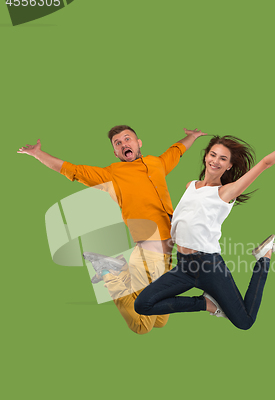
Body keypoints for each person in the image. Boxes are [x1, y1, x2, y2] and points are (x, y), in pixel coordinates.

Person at [17, 126, 207, 334]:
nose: (124, 144)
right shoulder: (112, 174)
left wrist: (192, 136)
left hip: (168, 252)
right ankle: (109, 272)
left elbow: (177, 150)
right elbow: (73, 170)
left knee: (160, 320)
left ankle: (120, 271)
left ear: (138, 142)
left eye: (128, 139)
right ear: (116, 152)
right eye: (118, 143)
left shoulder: (157, 163)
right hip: (148, 248)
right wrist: (37, 153)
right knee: (142, 326)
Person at [134, 134, 275, 330]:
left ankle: (263, 259)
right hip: (184, 266)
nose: (215, 161)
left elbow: (266, 163)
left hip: (208, 266)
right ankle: (206, 304)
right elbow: (183, 221)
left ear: (229, 166)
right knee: (142, 304)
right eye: (213, 155)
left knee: (245, 321)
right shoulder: (190, 186)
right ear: (206, 156)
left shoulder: (225, 192)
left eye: (223, 159)